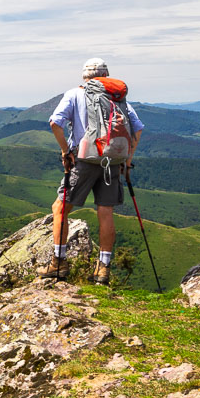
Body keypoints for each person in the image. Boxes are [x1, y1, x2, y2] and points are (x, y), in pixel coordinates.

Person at [37, 57, 144, 285]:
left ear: (84, 77)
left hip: (84, 160)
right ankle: (103, 269)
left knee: (60, 208)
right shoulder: (116, 98)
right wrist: (127, 160)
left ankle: (59, 263)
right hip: (113, 161)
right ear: (107, 76)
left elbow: (55, 123)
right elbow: (138, 128)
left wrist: (66, 151)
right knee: (105, 212)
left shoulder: (75, 94)